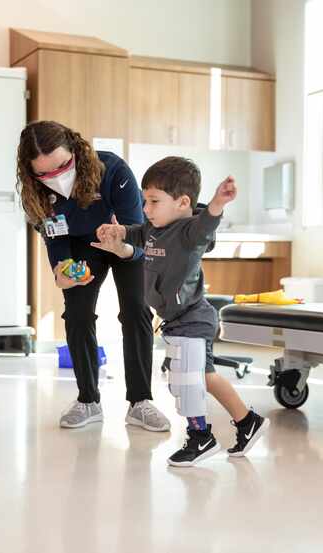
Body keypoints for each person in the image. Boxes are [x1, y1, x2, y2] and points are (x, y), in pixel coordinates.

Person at [93, 156, 269, 467]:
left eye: (153, 201)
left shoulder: (190, 232)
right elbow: (133, 235)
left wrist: (217, 202)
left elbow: (207, 223)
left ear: (182, 202)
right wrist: (115, 233)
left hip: (193, 317)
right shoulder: (152, 228)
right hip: (177, 319)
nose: (146, 209)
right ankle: (248, 421)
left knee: (187, 382)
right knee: (205, 376)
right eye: (144, 200)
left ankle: (201, 437)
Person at [16, 120, 169, 431]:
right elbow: (54, 236)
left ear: (74, 151)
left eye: (61, 166)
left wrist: (122, 248)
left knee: (137, 309)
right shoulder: (36, 193)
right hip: (78, 244)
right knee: (77, 314)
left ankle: (140, 402)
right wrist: (60, 271)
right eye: (44, 173)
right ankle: (88, 400)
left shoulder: (112, 171)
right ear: (31, 172)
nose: (56, 178)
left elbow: (137, 238)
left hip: (123, 238)